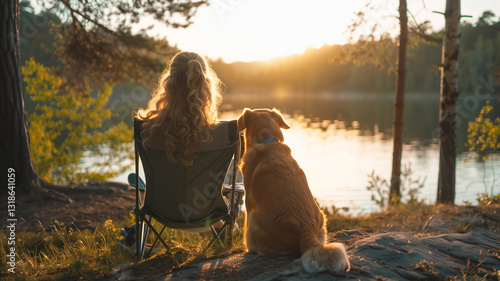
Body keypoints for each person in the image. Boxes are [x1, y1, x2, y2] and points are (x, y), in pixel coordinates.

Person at [135, 51, 223, 166]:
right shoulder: (221, 134)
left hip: (161, 185)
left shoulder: (147, 129)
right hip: (206, 185)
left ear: (168, 84)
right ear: (206, 87)